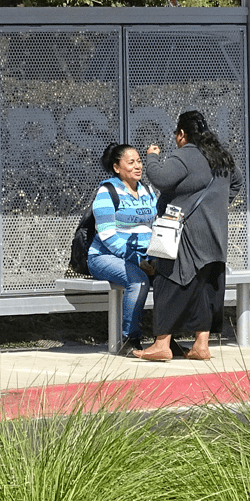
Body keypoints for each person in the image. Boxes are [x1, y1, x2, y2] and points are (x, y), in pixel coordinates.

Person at [133, 110, 242, 362]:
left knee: (169, 282)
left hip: (186, 235)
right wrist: (216, 206)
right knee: (205, 286)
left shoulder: (185, 156)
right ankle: (201, 345)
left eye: (176, 135)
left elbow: (160, 177)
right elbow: (236, 181)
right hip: (215, 236)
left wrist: (151, 157)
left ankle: (162, 345)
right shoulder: (221, 157)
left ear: (182, 134)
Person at [88, 143, 157, 356]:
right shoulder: (106, 191)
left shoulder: (146, 190)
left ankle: (163, 339)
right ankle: (130, 338)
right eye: (131, 163)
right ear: (117, 168)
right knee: (138, 280)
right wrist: (137, 259)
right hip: (104, 256)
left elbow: (155, 224)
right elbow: (107, 235)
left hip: (142, 255)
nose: (138, 166)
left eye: (139, 161)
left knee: (170, 278)